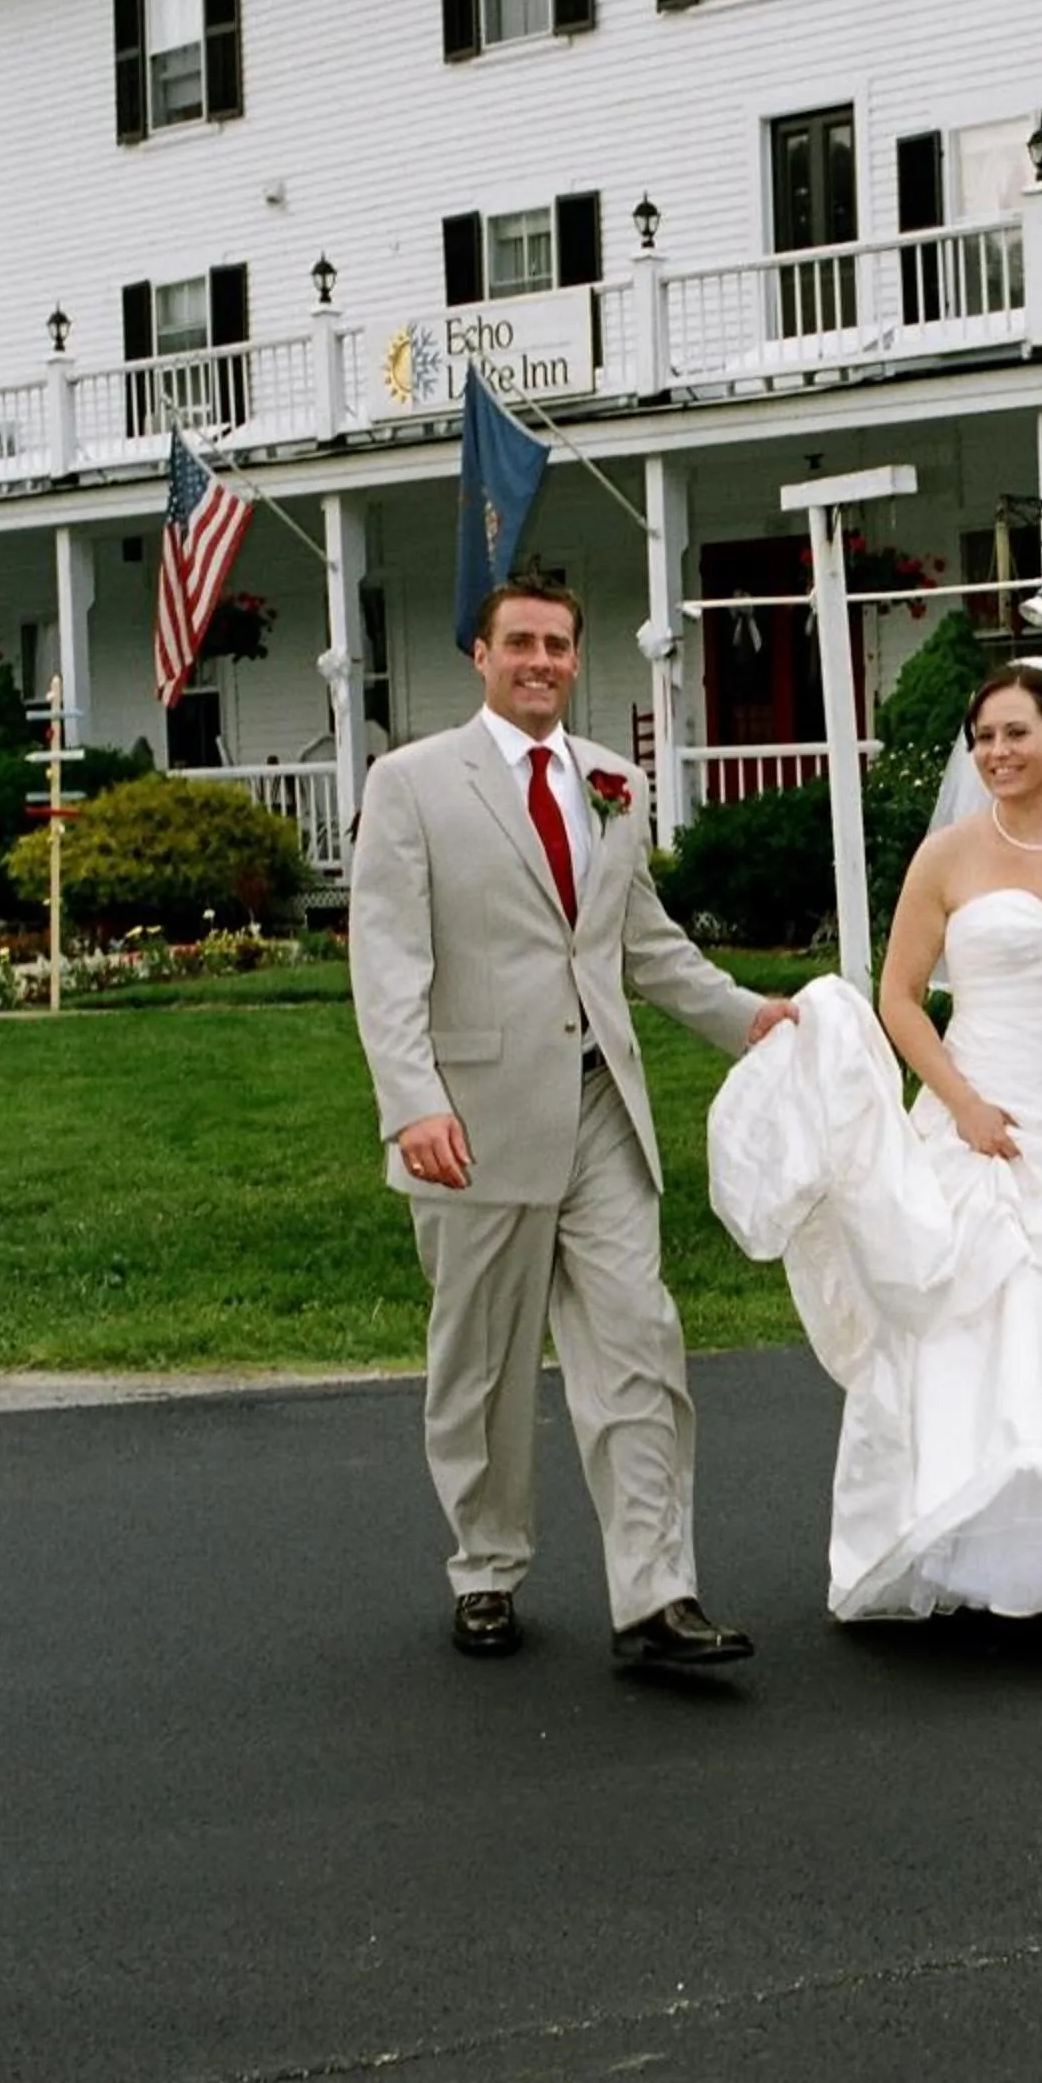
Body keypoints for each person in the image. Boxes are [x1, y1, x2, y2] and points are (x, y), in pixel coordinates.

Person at [710, 658, 1042, 1653]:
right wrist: (966, 1109)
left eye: (1014, 734)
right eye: (983, 737)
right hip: (975, 1109)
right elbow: (900, 997)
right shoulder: (945, 859)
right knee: (983, 1319)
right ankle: (1007, 1548)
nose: (996, 752)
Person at [349, 579, 795, 1668]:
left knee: (638, 1345)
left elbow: (640, 944)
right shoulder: (410, 785)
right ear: (480, 655)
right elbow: (387, 960)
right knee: (485, 1368)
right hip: (476, 1121)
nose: (541, 661)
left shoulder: (611, 781)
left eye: (557, 645)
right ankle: (486, 1569)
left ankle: (655, 1595)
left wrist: (749, 1020)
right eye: (520, 644)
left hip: (602, 1107)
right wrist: (413, 1105)